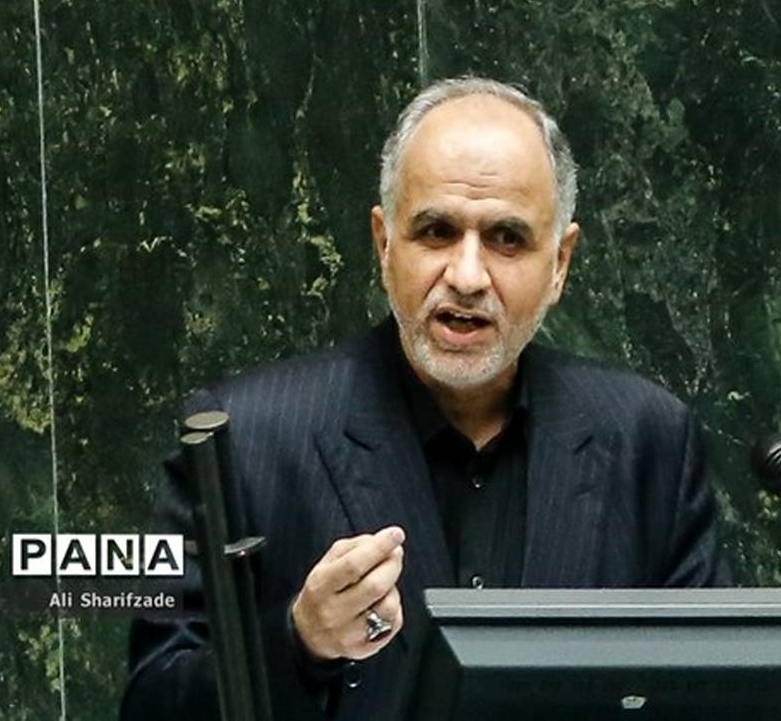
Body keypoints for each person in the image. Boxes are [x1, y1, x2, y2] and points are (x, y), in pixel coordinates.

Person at [121, 76, 731, 721]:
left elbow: (718, 691)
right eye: (437, 231)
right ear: (384, 243)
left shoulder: (646, 440)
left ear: (560, 263)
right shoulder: (243, 440)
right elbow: (151, 702)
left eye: (507, 239)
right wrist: (299, 643)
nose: (467, 277)